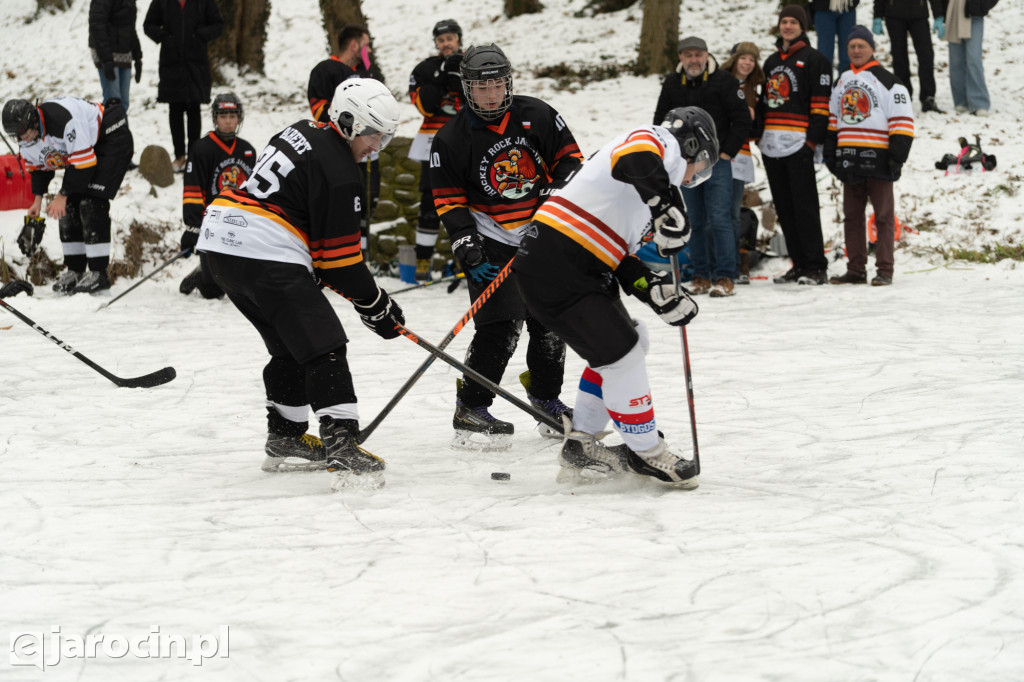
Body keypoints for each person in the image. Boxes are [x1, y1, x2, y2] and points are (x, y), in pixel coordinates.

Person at [196, 79, 404, 492]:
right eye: (373, 135)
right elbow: (339, 264)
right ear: (347, 122)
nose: (376, 147)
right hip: (263, 250)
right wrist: (376, 304)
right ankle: (342, 440)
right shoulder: (342, 173)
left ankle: (286, 436)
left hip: (221, 245)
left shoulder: (302, 129)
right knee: (324, 344)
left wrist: (366, 300)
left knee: (291, 345)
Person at [515, 107, 716, 487]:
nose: (696, 177)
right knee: (622, 354)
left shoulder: (646, 183)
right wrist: (664, 203)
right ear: (692, 145)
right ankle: (649, 453)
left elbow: (619, 257)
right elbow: (635, 156)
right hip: (561, 260)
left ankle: (582, 443)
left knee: (629, 341)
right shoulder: (659, 143)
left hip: (572, 264)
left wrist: (655, 291)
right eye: (702, 164)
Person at [430, 43, 583, 451]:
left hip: (542, 234)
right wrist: (466, 244)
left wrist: (552, 201)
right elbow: (447, 200)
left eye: (497, 84)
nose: (491, 94)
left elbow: (571, 163)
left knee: (550, 323)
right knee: (500, 328)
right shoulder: (450, 137)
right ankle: (471, 407)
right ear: (466, 89)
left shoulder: (539, 115)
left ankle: (546, 400)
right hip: (490, 240)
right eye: (481, 88)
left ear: (508, 83)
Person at [2, 96, 134, 295]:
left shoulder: (62, 121)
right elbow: (39, 167)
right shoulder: (26, 137)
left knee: (91, 201)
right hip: (88, 149)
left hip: (110, 137)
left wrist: (62, 195)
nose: (23, 140)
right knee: (70, 205)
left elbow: (85, 163)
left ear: (33, 121)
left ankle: (99, 273)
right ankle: (75, 269)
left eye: (24, 134)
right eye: (17, 137)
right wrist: (37, 200)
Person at [653, 36, 750, 298]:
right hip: (685, 165)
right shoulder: (673, 83)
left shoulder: (724, 81)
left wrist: (728, 151)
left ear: (707, 55)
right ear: (681, 58)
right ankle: (700, 276)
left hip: (717, 162)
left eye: (698, 54)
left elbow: (742, 119)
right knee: (693, 219)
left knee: (719, 219)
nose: (693, 60)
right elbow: (660, 120)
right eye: (688, 55)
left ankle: (725, 276)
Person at [825, 25, 914, 286]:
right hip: (849, 159)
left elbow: (902, 122)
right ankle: (856, 270)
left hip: (879, 159)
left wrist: (896, 157)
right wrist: (832, 155)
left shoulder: (889, 81)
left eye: (861, 46)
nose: (855, 50)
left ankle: (885, 269)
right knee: (852, 217)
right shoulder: (840, 80)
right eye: (851, 46)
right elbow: (833, 120)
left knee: (884, 217)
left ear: (872, 48)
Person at [754, 5, 833, 285]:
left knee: (805, 207)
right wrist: (758, 134)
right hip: (772, 146)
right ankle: (798, 264)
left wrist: (812, 140)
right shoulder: (772, 61)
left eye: (793, 22)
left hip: (799, 143)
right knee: (784, 209)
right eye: (784, 22)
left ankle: (816, 266)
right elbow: (763, 102)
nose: (788, 26)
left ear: (803, 26)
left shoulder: (816, 60)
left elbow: (821, 104)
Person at [307, 24, 381, 258]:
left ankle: (363, 256)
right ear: (353, 44)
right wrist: (355, 123)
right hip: (339, 150)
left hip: (368, 148)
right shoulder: (325, 69)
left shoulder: (368, 72)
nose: (368, 51)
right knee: (342, 202)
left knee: (367, 201)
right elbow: (320, 112)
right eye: (366, 45)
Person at [178, 92, 256, 299]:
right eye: (223, 116)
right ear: (215, 118)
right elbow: (193, 189)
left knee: (242, 281)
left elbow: (254, 191)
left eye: (232, 116)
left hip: (239, 221)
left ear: (239, 118)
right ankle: (202, 275)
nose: (228, 121)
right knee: (213, 291)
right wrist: (193, 227)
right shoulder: (202, 148)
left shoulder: (247, 150)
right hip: (211, 223)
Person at [408, 18, 465, 281]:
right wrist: (442, 76)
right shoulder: (425, 67)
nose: (445, 43)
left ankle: (467, 260)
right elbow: (424, 107)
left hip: (466, 141)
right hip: (433, 142)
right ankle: (422, 261)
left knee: (469, 202)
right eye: (441, 40)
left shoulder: (474, 61)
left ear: (458, 39)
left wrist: (459, 83)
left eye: (449, 38)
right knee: (429, 203)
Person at [143, 0, 224, 172]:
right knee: (175, 109)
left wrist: (200, 35)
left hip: (196, 63)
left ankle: (194, 158)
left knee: (194, 109)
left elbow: (218, 25)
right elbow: (148, 25)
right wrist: (165, 36)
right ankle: (179, 156)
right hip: (171, 62)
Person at [721, 42, 765, 284]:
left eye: (752, 59)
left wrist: (752, 119)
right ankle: (717, 264)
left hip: (742, 156)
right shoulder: (719, 83)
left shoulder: (753, 91)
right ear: (734, 59)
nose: (747, 63)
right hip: (719, 156)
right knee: (717, 213)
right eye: (743, 58)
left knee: (734, 214)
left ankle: (736, 265)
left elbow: (758, 130)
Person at [872, 0, 947, 113]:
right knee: (899, 57)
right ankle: (903, 94)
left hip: (919, 13)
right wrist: (878, 15)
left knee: (926, 55)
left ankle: (928, 97)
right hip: (894, 13)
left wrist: (938, 15)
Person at [944, 0, 998, 116]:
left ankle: (979, 102)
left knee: (974, 58)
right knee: (956, 60)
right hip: (953, 13)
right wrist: (940, 14)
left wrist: (981, 7)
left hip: (975, 17)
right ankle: (961, 101)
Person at [89, 0, 143, 113]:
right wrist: (107, 61)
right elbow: (97, 25)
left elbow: (130, 28)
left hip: (124, 53)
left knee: (124, 103)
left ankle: (122, 130)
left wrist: (137, 57)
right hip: (106, 52)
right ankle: (110, 129)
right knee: (113, 102)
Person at [811, 0, 860, 75]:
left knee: (847, 52)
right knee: (825, 54)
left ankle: (846, 82)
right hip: (823, 8)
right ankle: (824, 83)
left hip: (848, 7)